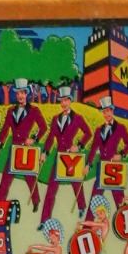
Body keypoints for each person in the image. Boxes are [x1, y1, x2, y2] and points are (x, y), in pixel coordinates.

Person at [40, 85, 90, 224]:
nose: (63, 103)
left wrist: (78, 146)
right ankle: (44, 220)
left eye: (66, 100)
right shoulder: (55, 119)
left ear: (70, 101)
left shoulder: (78, 118)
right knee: (51, 189)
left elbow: (88, 133)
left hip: (72, 157)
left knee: (76, 183)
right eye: (61, 101)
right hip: (59, 157)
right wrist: (45, 153)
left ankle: (81, 206)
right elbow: (50, 138)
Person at [0, 77, 45, 210]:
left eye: (22, 93)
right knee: (6, 178)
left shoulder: (34, 110)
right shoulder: (11, 111)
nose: (20, 96)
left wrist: (33, 139)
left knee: (30, 177)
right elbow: (5, 130)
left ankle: (36, 201)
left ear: (26, 94)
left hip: (26, 150)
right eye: (18, 93)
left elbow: (43, 127)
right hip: (14, 150)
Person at [85, 98, 128, 213]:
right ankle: (88, 223)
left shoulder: (120, 127)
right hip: (102, 168)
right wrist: (88, 164)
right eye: (104, 112)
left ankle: (125, 222)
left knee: (120, 200)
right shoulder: (98, 130)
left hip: (114, 169)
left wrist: (121, 155)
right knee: (95, 199)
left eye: (108, 111)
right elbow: (93, 149)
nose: (106, 114)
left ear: (112, 111)